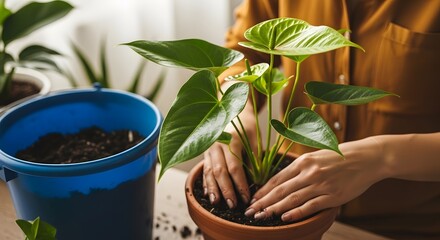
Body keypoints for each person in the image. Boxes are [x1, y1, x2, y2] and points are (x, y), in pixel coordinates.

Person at [201, 0, 440, 239]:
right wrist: (234, 110)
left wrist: (381, 157)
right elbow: (245, 53)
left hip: (405, 228)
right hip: (288, 197)